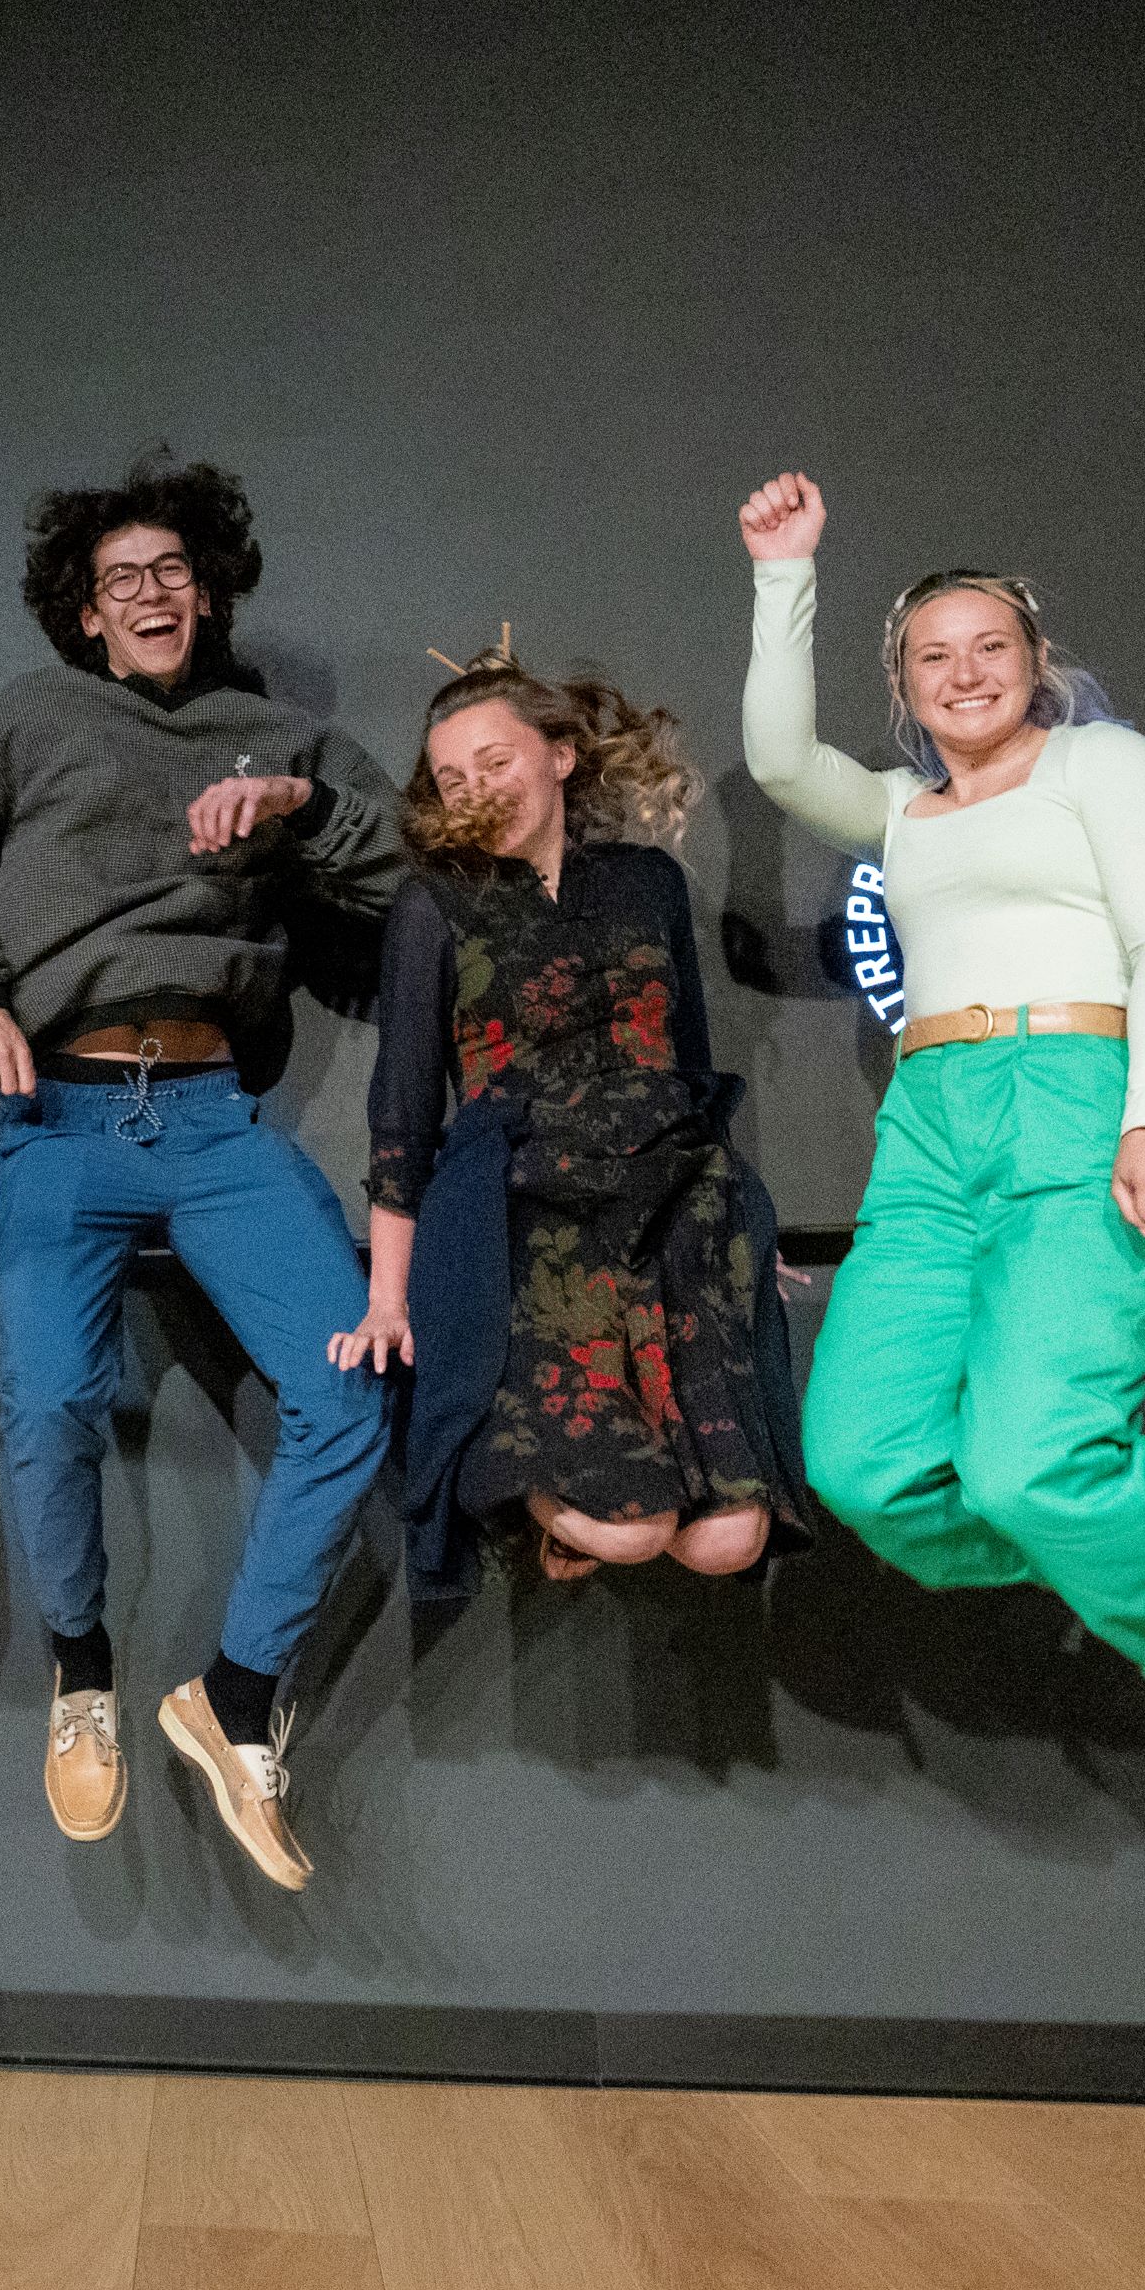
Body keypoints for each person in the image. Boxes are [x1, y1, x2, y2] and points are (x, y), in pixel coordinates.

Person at [735, 468, 1145, 1832]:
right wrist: (782, 572)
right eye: (933, 656)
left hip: (1084, 1098)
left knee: (1030, 1461)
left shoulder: (1107, 765)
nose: (964, 671)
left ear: (1036, 660)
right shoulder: (904, 810)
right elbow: (780, 762)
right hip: (930, 1129)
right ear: (903, 687)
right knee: (866, 1465)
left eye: (991, 645)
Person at [0, 454, 403, 1893]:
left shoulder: (278, 736)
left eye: (171, 570)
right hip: (58, 1111)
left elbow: (404, 875)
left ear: (208, 589)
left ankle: (233, 1696)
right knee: (50, 1398)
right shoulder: (33, 715)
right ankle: (80, 1668)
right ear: (85, 612)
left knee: (348, 1386)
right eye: (120, 579)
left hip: (212, 1116)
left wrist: (298, 807)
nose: (150, 593)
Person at [334, 640, 799, 1594]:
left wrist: (747, 1226)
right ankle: (514, 1494)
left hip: (676, 1209)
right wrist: (387, 1297)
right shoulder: (435, 905)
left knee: (729, 1542)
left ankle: (581, 1507)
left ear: (560, 754)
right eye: (453, 779)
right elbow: (403, 1117)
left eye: (494, 762)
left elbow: (692, 1069)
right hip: (533, 1214)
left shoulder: (647, 882)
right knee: (631, 1533)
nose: (476, 790)